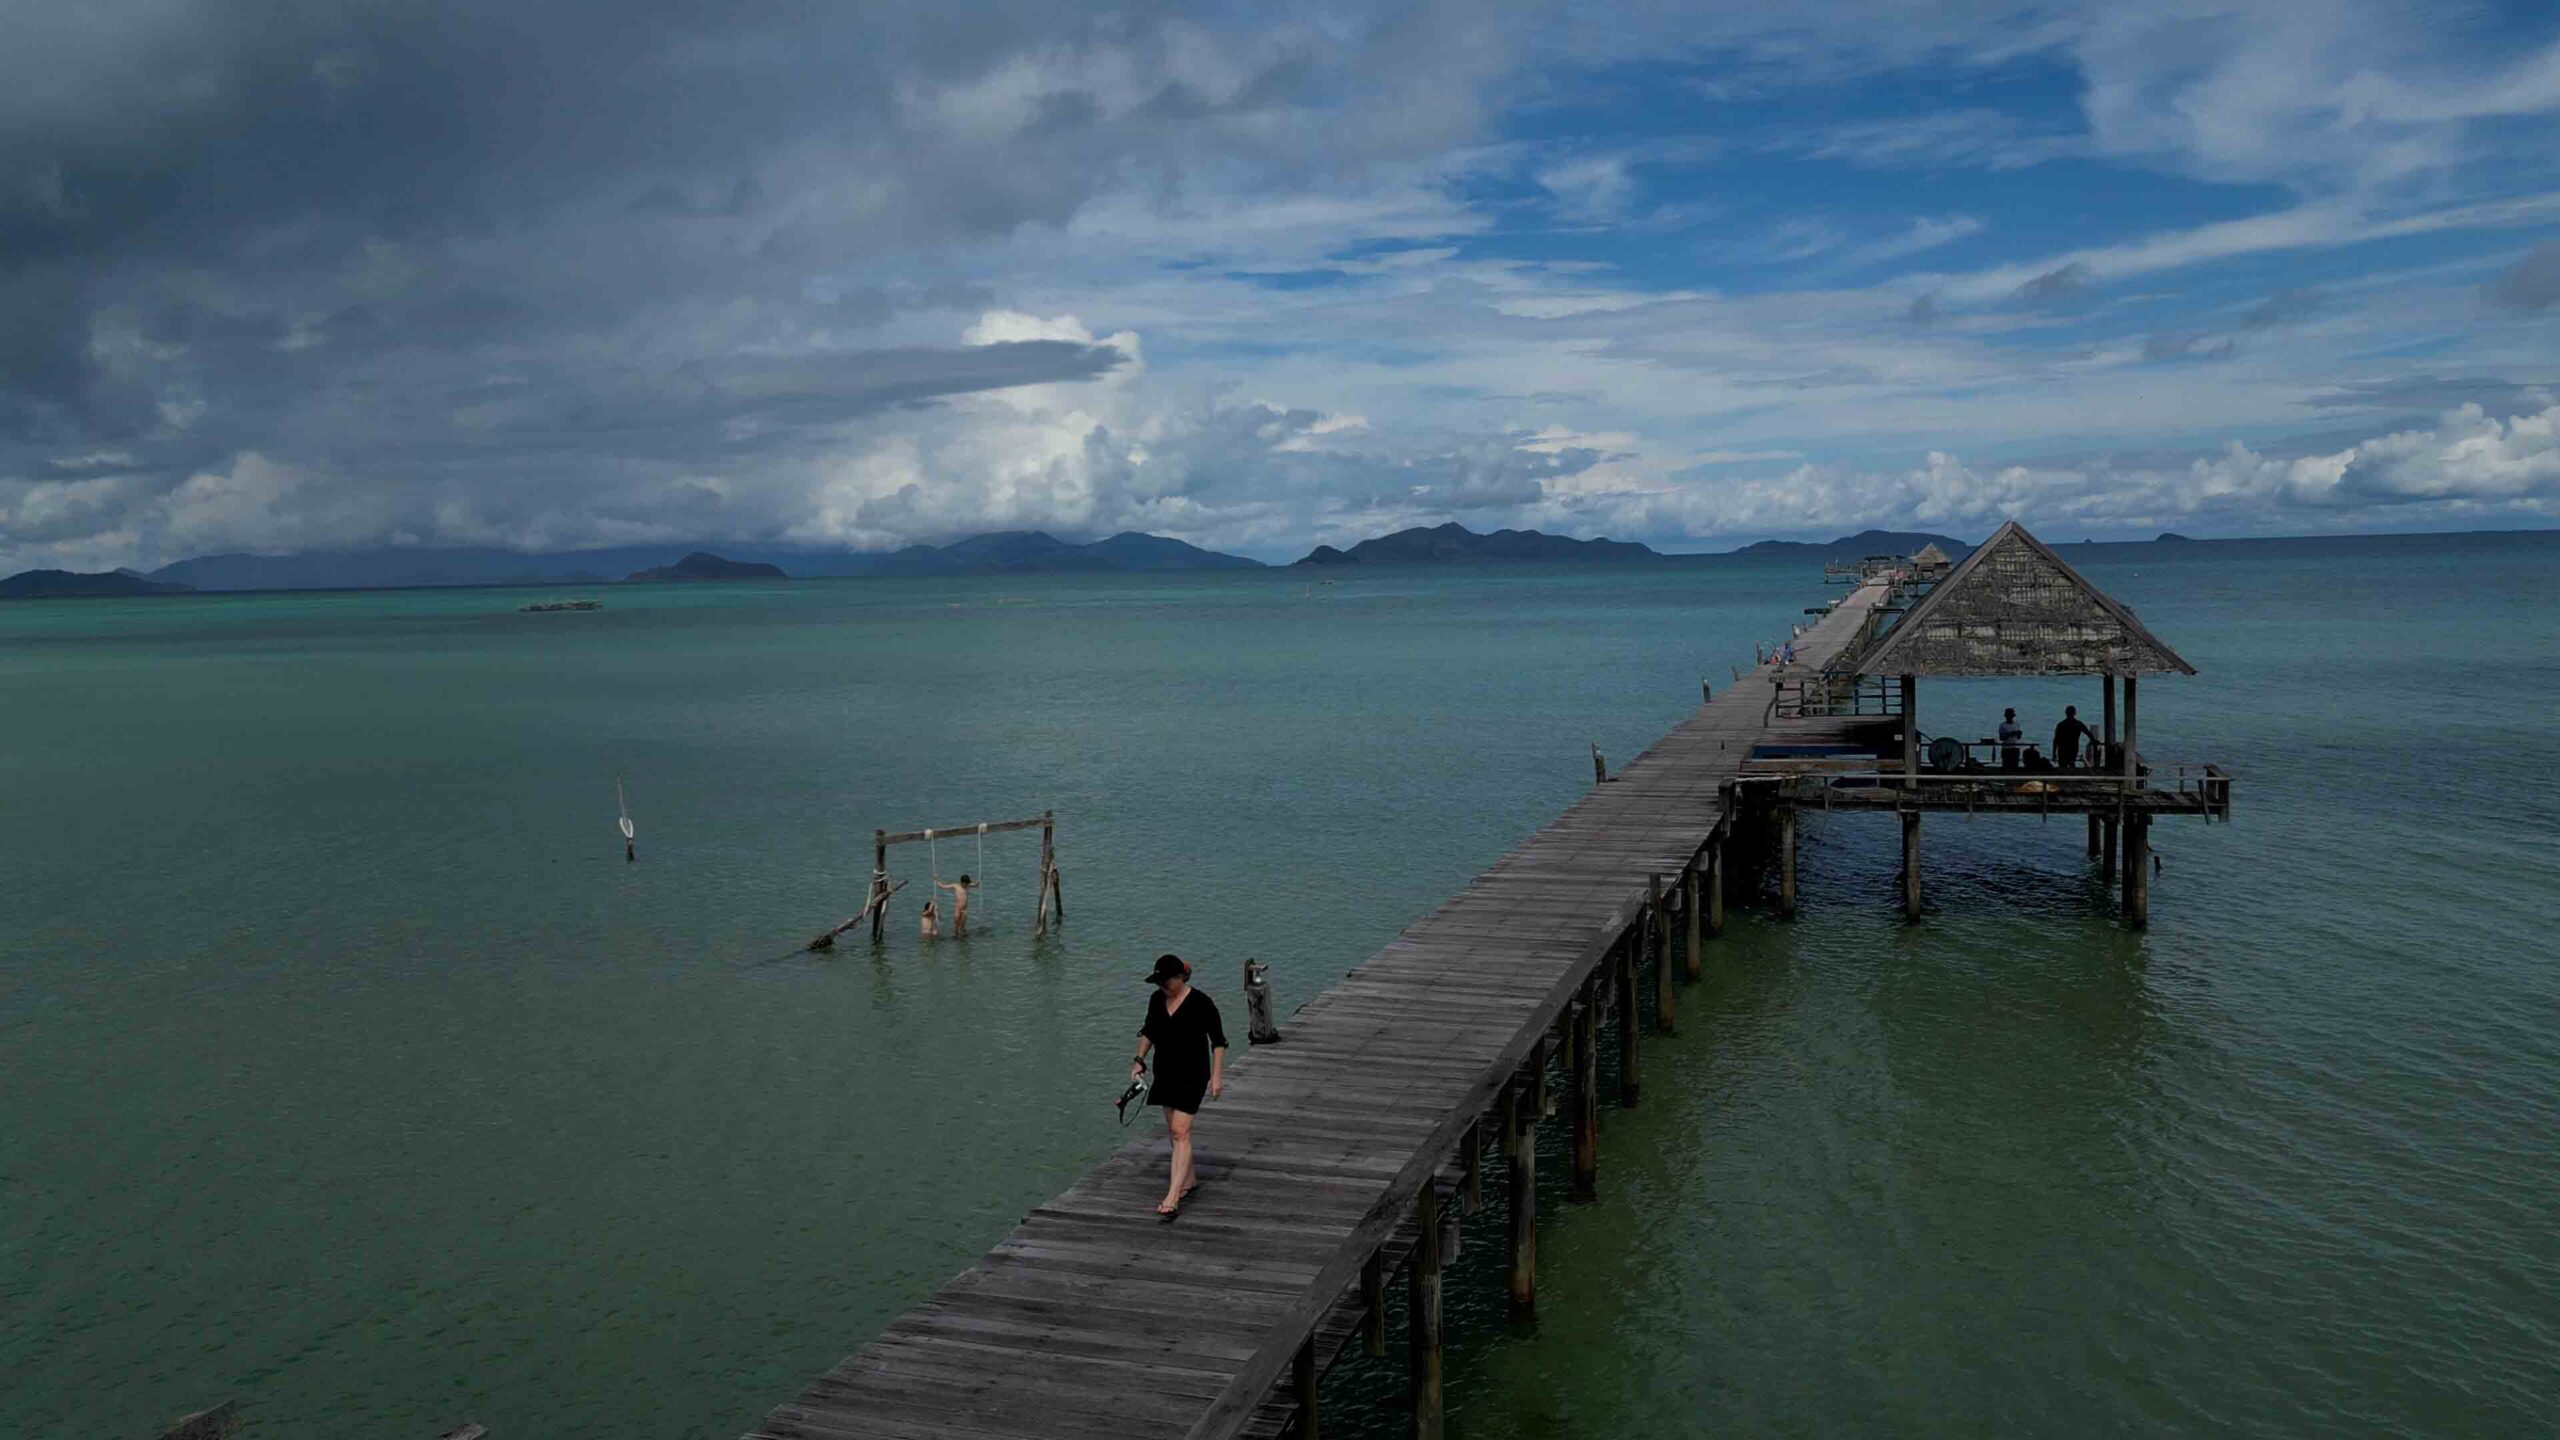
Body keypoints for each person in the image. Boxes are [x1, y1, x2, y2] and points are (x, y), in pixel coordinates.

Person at [1132, 953, 1226, 1219]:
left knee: (1179, 1131)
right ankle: (1189, 1180)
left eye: (1166, 981)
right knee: (1176, 1132)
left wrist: (1217, 1078)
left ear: (1181, 977)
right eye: (1158, 982)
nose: (1162, 986)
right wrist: (1139, 1060)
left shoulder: (1201, 1003)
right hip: (1165, 1073)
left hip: (1193, 1075)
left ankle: (1172, 1197)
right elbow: (1149, 1031)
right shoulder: (1156, 1000)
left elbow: (1218, 1042)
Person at [2052, 705, 2092, 769]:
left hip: (2062, 749)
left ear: (2066, 713)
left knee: (2063, 767)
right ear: (2074, 713)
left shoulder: (2061, 725)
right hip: (2073, 748)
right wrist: (2093, 740)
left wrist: (2053, 753)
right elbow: (2088, 733)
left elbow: (2056, 740)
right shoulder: (2078, 724)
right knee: (2071, 763)